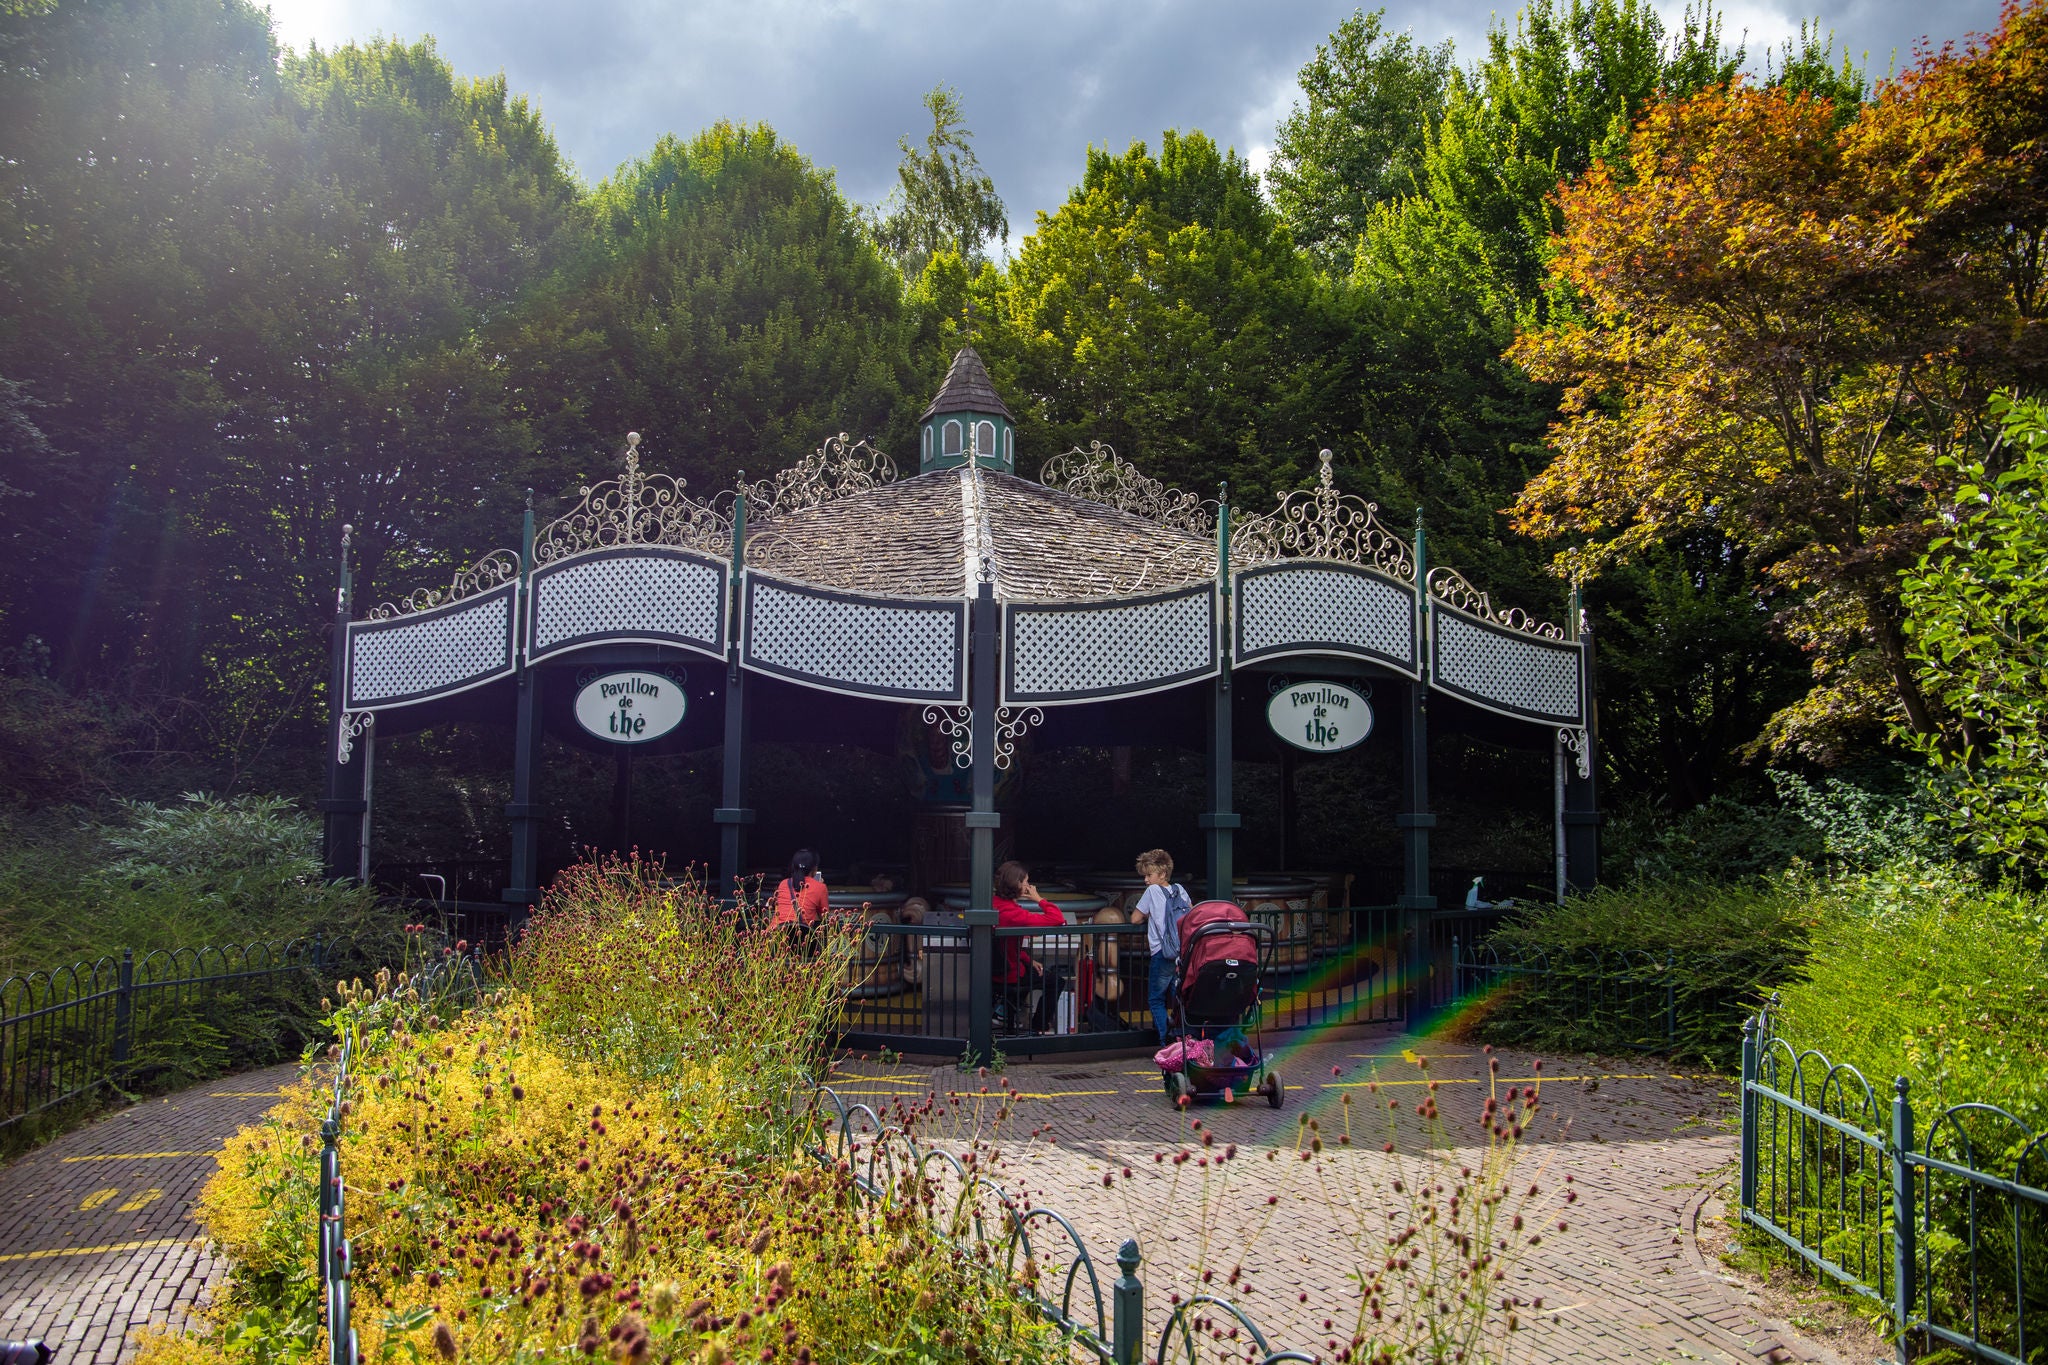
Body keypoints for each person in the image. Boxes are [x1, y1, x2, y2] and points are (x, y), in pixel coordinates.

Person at [992, 860, 1066, 1032]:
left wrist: (1028, 960)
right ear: (1017, 884)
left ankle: (1004, 1012)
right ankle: (1039, 1026)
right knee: (1056, 981)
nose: (1029, 885)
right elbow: (1057, 918)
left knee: (1033, 972)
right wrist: (1039, 899)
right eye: (1026, 881)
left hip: (996, 971)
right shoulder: (1013, 914)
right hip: (1009, 974)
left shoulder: (994, 904)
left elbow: (1007, 947)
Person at [1128, 847, 1191, 1042]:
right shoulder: (1180, 889)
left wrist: (1151, 915)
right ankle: (1185, 1038)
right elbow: (1191, 913)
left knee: (1156, 999)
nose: (1145, 880)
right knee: (1179, 998)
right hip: (1182, 953)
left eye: (1148, 875)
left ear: (1162, 873)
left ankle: (1167, 1041)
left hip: (1162, 953)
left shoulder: (1152, 891)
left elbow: (1135, 919)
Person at [767, 848, 828, 931]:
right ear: (814, 868)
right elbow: (824, 917)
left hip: (775, 934)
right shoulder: (820, 887)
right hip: (802, 937)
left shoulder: (783, 883)